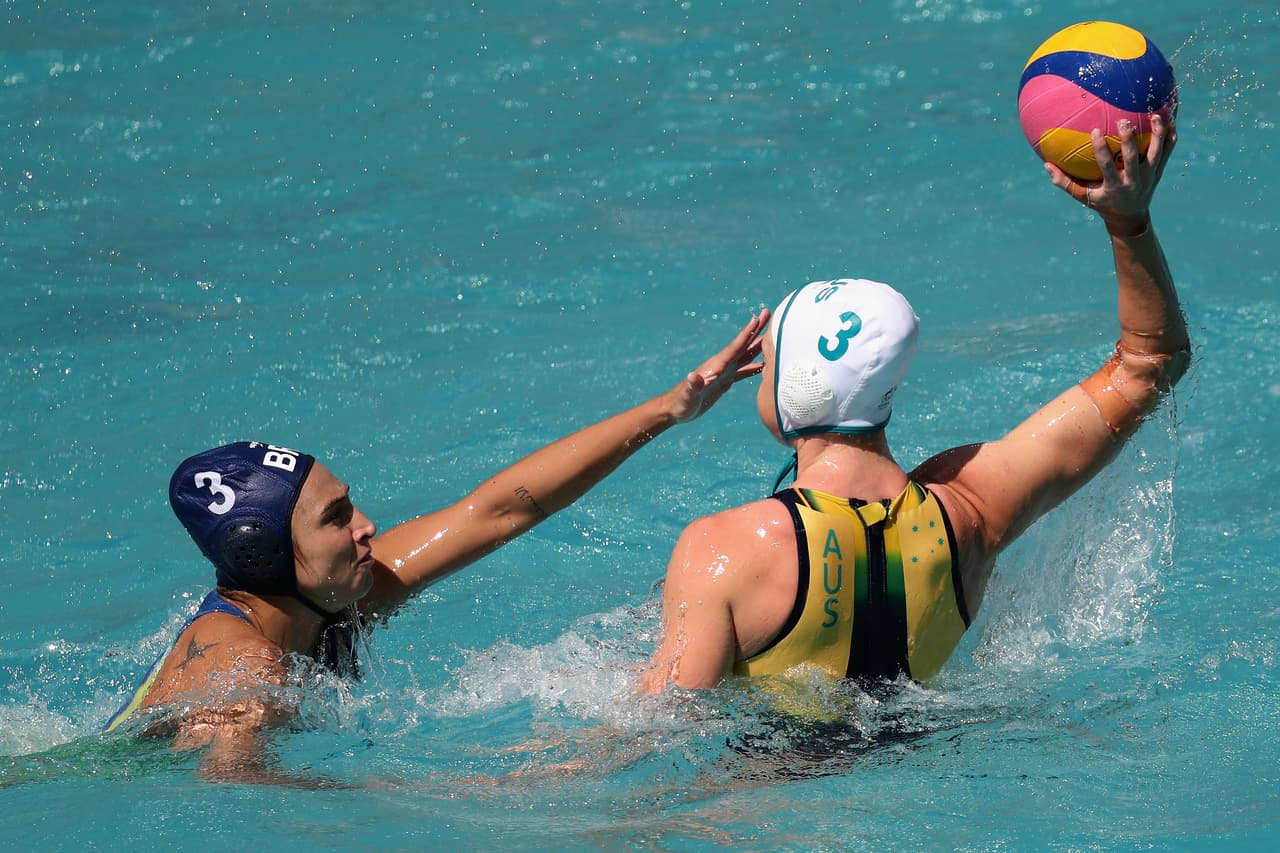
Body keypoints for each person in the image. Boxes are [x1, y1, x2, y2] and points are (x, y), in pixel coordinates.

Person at [640, 115, 1188, 693]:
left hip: (768, 781)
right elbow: (1148, 367)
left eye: (767, 365)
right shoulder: (971, 511)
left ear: (800, 387)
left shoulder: (721, 549)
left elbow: (654, 733)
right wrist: (1129, 222)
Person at [104, 311, 769, 783]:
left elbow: (502, 509)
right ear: (263, 557)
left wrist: (668, 409)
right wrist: (406, 797)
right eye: (337, 518)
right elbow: (229, 780)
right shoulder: (240, 671)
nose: (367, 525)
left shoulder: (330, 594)